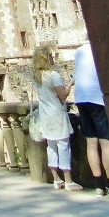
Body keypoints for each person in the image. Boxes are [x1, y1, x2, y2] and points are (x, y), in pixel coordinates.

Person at [74, 40, 109, 198]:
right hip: (96, 97)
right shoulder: (100, 47)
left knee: (91, 142)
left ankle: (98, 186)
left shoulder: (79, 51)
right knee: (105, 142)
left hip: (81, 97)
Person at [32, 45, 81, 191]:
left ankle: (56, 179)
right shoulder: (53, 75)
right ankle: (68, 180)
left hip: (45, 115)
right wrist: (71, 83)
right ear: (46, 58)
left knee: (51, 146)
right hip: (57, 115)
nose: (53, 58)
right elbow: (63, 95)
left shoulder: (36, 77)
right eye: (51, 56)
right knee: (63, 145)